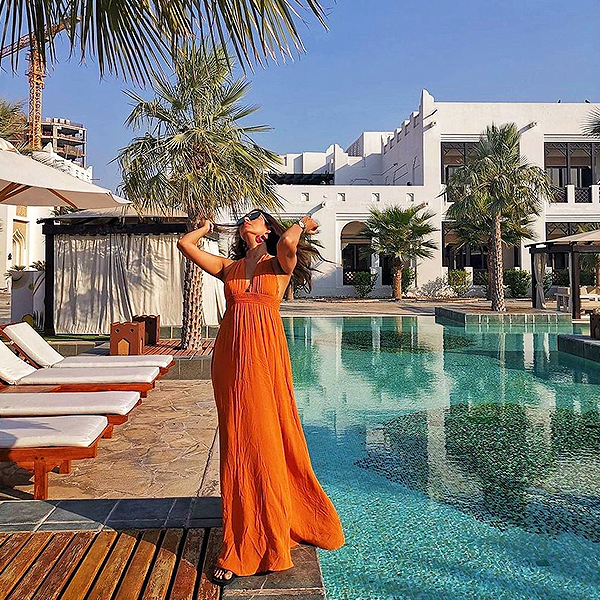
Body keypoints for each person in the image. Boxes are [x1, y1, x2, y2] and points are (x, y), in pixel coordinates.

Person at [177, 209, 345, 586]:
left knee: (265, 438)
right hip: (230, 357)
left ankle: (268, 530)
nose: (245, 220)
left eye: (253, 216)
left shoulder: (281, 263)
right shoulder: (230, 268)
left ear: (266, 229)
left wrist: (303, 224)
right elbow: (185, 245)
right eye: (244, 217)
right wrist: (203, 229)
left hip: (263, 357)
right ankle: (241, 537)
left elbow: (289, 241)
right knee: (238, 441)